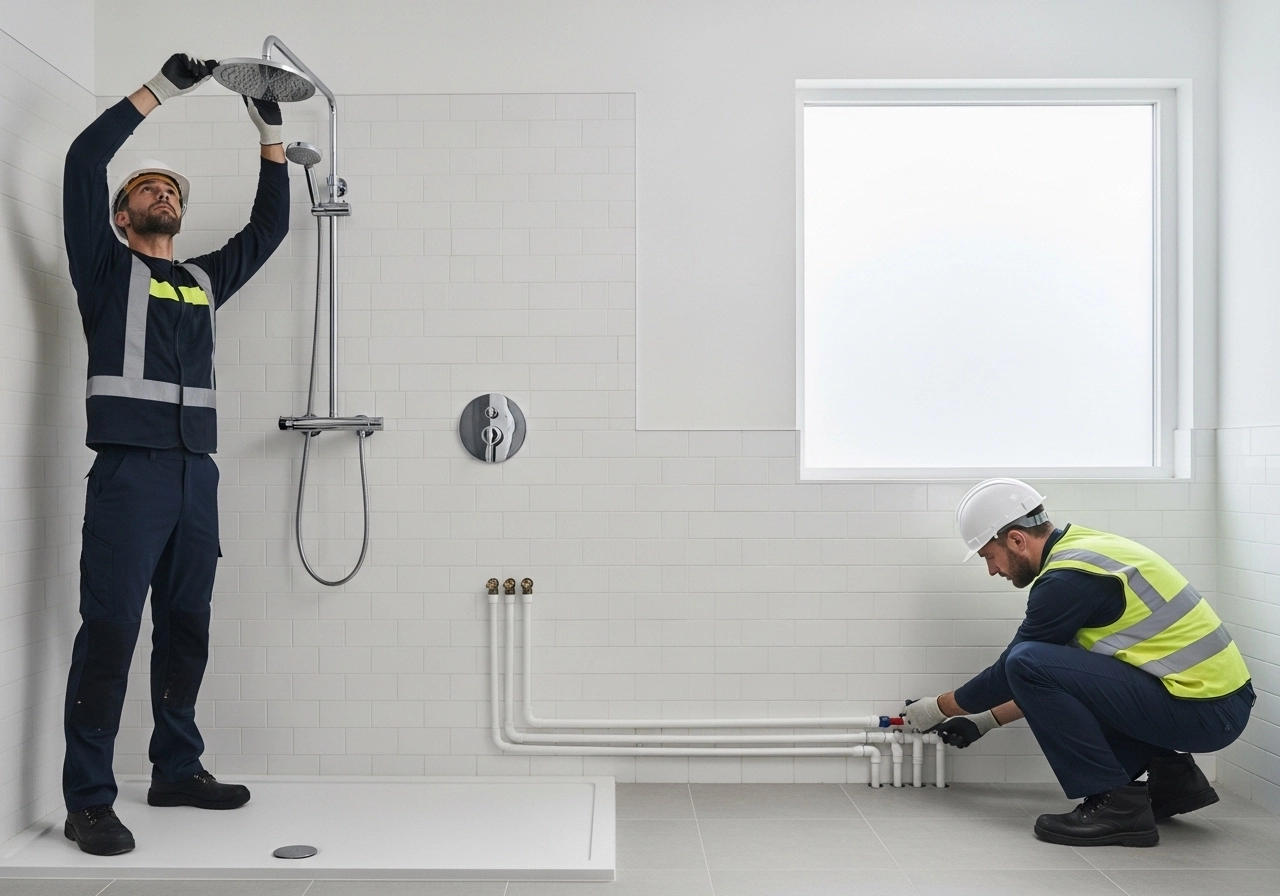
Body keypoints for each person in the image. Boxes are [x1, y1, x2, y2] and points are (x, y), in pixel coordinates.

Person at [61, 53, 291, 856]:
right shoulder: (102, 268)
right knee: (113, 629)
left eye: (173, 193)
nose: (163, 194)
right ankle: (88, 798)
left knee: (186, 626)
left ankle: (175, 769)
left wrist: (268, 135)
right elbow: (85, 159)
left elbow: (270, 230)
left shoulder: (199, 279)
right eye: (147, 190)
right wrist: (162, 88)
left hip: (198, 476)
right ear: (122, 216)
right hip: (130, 474)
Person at [902, 478, 1253, 848]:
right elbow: (1066, 681)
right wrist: (985, 721)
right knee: (1035, 662)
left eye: (989, 556)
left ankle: (1116, 806)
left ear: (1017, 540)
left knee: (1023, 659)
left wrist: (937, 707)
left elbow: (1016, 670)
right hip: (1214, 704)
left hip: (1204, 712)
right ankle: (1173, 779)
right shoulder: (1085, 549)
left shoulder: (1066, 581)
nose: (992, 570)